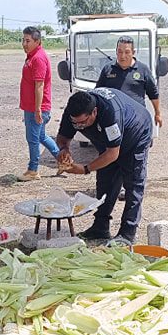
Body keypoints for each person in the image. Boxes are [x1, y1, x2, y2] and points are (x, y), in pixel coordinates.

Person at [55, 87, 153, 243]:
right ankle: (100, 227)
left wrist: (84, 169)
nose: (79, 127)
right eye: (76, 123)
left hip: (136, 134)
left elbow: (113, 153)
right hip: (107, 141)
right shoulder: (73, 112)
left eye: (83, 123)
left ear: (94, 112)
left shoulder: (110, 112)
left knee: (133, 184)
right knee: (105, 181)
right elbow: (62, 137)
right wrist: (64, 149)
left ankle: (127, 233)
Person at [19, 26, 60, 181]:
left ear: (37, 41)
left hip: (37, 108)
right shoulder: (31, 55)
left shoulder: (38, 58)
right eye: (23, 40)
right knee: (41, 136)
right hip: (31, 107)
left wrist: (37, 110)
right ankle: (63, 161)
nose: (24, 43)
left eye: (28, 41)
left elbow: (39, 85)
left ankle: (33, 170)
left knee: (33, 139)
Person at [95, 35, 162, 128]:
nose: (122, 56)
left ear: (133, 52)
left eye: (127, 52)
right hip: (113, 120)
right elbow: (98, 93)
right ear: (116, 51)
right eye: (120, 52)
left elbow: (153, 94)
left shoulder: (143, 69)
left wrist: (157, 113)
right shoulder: (107, 69)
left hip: (137, 119)